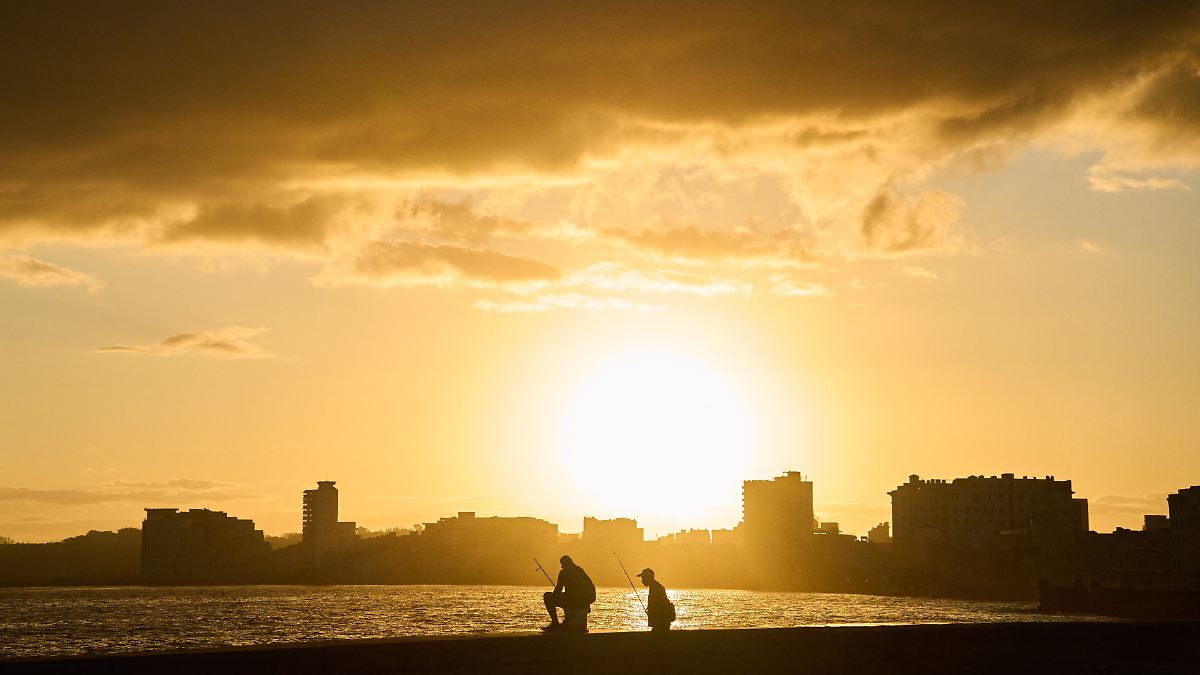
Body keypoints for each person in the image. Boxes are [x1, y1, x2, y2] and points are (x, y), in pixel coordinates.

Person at [543, 555, 595, 631]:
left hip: (577, 600)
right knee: (566, 596)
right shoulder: (580, 570)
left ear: (563, 565)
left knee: (547, 596)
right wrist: (587, 603)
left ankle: (555, 623)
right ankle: (567, 622)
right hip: (586, 599)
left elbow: (558, 590)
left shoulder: (563, 572)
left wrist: (553, 598)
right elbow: (588, 589)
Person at [636, 567, 674, 632]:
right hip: (661, 623)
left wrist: (653, 613)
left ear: (648, 578)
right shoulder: (655, 587)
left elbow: (660, 606)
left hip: (661, 624)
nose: (642, 580)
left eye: (643, 578)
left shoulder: (655, 588)